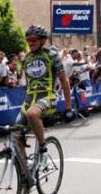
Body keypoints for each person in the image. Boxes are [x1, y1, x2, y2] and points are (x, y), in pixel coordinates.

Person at [18, 25, 74, 167]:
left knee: (32, 114)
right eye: (28, 40)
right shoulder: (26, 59)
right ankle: (25, 173)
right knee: (15, 131)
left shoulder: (51, 56)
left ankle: (43, 149)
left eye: (34, 40)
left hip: (48, 97)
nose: (30, 43)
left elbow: (64, 81)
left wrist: (68, 108)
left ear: (42, 40)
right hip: (30, 99)